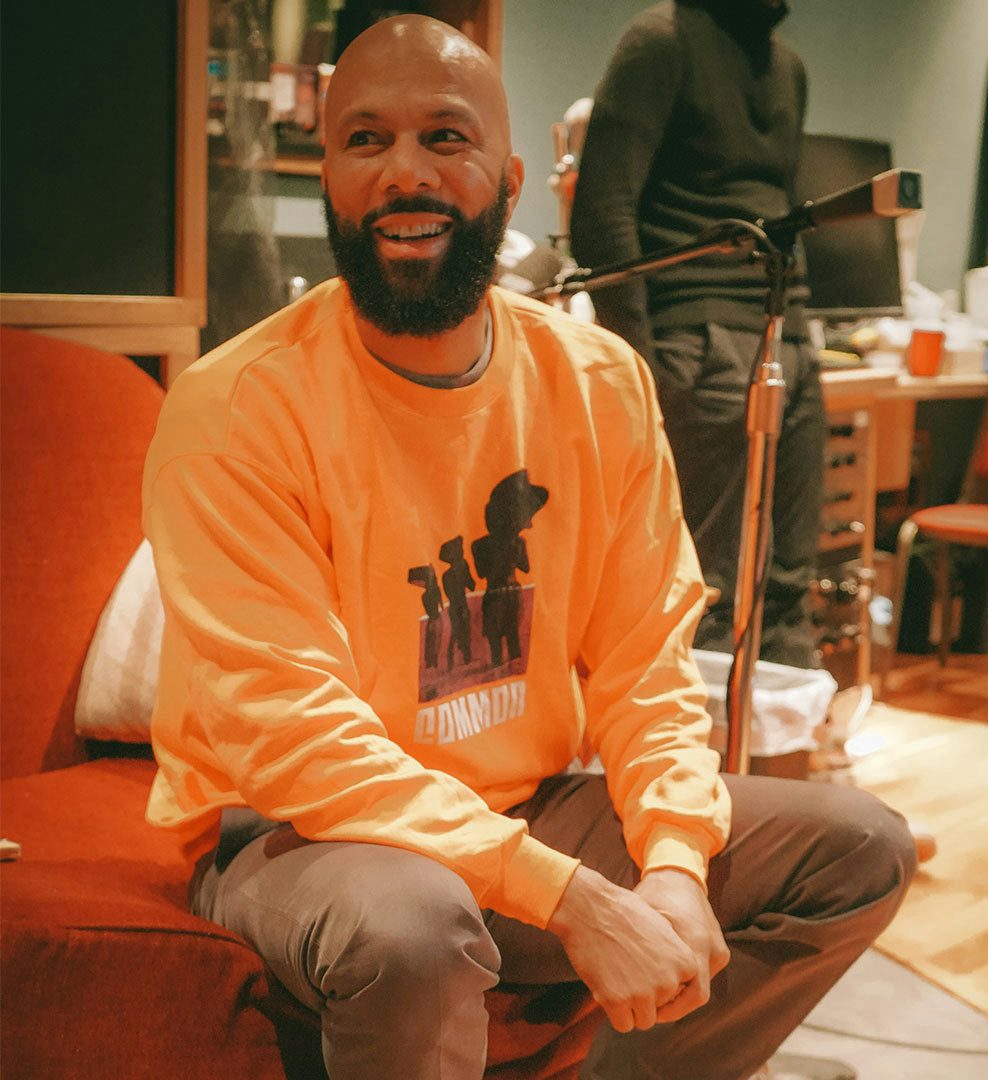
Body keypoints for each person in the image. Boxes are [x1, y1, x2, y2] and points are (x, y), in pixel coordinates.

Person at [143, 15, 916, 1079]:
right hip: (299, 832)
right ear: (329, 176)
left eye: (445, 137)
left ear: (509, 182)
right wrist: (572, 898)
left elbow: (646, 663)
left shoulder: (600, 382)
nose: (404, 172)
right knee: (417, 925)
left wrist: (675, 864)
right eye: (365, 139)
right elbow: (294, 738)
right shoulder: (234, 406)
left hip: (526, 805)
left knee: (861, 848)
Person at [570, 0, 826, 668]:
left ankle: (784, 735)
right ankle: (698, 741)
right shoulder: (661, 41)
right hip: (699, 339)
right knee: (706, 595)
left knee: (789, 587)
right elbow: (601, 212)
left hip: (788, 334)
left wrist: (805, 338)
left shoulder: (789, 68)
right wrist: (643, 369)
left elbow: (781, 211)